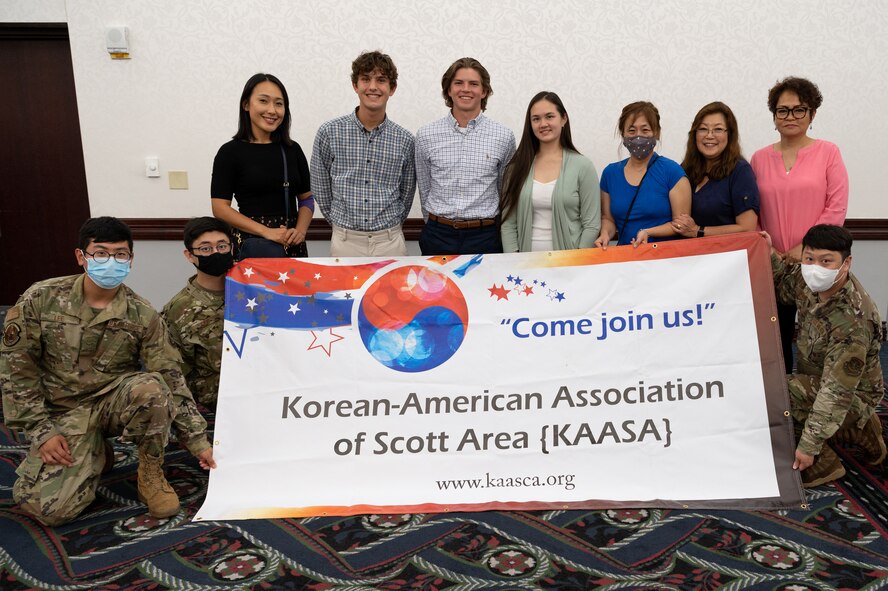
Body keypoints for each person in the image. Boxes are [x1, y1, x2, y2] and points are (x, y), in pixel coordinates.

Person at [0, 217, 215, 526]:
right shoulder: (41, 299)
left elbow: (170, 375)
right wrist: (42, 431)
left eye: (120, 254)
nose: (110, 262)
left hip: (112, 403)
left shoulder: (142, 313)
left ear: (131, 259)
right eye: (100, 253)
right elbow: (16, 370)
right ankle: (95, 451)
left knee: (151, 387)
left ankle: (150, 474)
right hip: (61, 412)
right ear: (81, 257)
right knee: (49, 510)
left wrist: (197, 441)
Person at [765, 224, 884, 488]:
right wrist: (765, 249)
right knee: (779, 393)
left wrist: (808, 447)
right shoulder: (807, 281)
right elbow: (783, 282)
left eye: (826, 261)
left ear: (846, 262)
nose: (815, 267)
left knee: (775, 392)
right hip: (817, 379)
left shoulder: (852, 319)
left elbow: (835, 392)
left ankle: (823, 463)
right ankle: (856, 429)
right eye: (809, 258)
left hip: (851, 394)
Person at [751, 76, 849, 373]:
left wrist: (805, 249)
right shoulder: (759, 159)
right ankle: (782, 404)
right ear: (774, 116)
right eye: (783, 110)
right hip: (773, 265)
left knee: (816, 340)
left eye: (799, 109)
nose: (790, 117)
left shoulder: (828, 152)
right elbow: (751, 212)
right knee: (775, 340)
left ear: (812, 114)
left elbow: (836, 206)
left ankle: (816, 402)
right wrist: (768, 250)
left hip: (816, 263)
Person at [311, 51, 416, 257]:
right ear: (355, 85)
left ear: (392, 88)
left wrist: (389, 226)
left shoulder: (405, 140)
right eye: (365, 79)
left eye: (381, 80)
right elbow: (320, 186)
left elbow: (407, 192)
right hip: (345, 241)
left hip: (390, 242)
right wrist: (339, 222)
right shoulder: (329, 132)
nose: (373, 87)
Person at [415, 57, 516, 255]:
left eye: (474, 84)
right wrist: (435, 223)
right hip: (438, 235)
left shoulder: (503, 136)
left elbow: (504, 190)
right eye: (458, 83)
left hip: (485, 236)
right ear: (449, 90)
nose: (466, 89)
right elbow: (424, 187)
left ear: (484, 91)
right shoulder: (426, 135)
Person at [211, 73, 315, 259]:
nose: (272, 110)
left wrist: (300, 231)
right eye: (263, 101)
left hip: (290, 242)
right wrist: (267, 231)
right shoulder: (229, 152)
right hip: (252, 243)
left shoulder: (292, 149)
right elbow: (219, 207)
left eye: (278, 103)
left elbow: (306, 199)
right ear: (246, 105)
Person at [500, 91, 600, 252]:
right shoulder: (515, 168)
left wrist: (577, 260)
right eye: (536, 119)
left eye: (549, 116)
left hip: (570, 266)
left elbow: (592, 224)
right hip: (525, 266)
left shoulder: (583, 166)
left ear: (563, 119)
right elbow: (508, 224)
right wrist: (515, 260)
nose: (543, 124)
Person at [595, 101, 691, 248]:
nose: (638, 136)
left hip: (665, 261)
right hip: (625, 261)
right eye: (631, 131)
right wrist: (605, 234)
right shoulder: (610, 173)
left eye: (645, 130)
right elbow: (609, 219)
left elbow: (682, 225)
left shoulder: (672, 172)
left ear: (656, 132)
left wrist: (649, 231)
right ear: (623, 134)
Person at [162, 217, 233, 412]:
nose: (215, 253)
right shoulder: (179, 309)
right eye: (205, 248)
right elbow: (175, 374)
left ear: (232, 249)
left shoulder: (250, 292)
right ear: (189, 255)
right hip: (217, 398)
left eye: (222, 246)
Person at [673, 102, 759, 238]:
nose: (709, 136)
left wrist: (698, 231)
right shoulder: (684, 169)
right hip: (688, 256)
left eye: (718, 129)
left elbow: (747, 229)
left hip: (726, 255)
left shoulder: (740, 172)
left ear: (729, 134)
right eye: (703, 129)